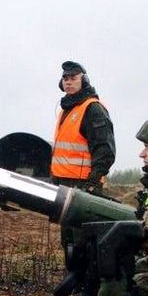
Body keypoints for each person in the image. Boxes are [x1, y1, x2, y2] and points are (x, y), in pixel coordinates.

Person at [51, 61, 115, 195]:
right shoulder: (66, 110)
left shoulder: (93, 109)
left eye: (73, 78)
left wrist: (92, 183)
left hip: (82, 185)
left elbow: (104, 150)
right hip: (61, 182)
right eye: (65, 79)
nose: (68, 82)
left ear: (84, 81)